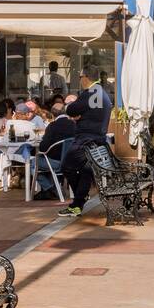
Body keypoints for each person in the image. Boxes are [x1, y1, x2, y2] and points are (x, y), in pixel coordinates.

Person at [58, 66, 111, 218]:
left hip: (85, 140)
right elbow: (88, 112)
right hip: (98, 140)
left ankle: (80, 198)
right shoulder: (102, 93)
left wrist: (72, 109)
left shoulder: (90, 93)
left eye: (80, 77)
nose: (80, 80)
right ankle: (77, 204)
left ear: (86, 77)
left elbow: (71, 110)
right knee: (86, 171)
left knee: (67, 167)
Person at [33, 94, 79, 199]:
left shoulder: (52, 126)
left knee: (32, 163)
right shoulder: (74, 124)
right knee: (46, 161)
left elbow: (43, 148)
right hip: (72, 161)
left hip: (57, 163)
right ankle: (52, 190)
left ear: (52, 114)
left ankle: (52, 189)